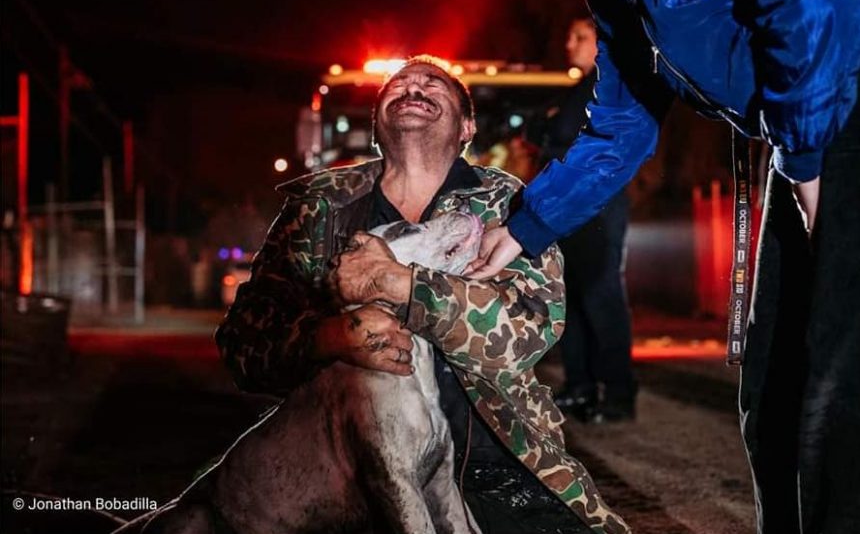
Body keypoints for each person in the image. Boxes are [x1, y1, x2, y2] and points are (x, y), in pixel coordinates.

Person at [467, 0, 860, 533]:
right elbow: (623, 121)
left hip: (837, 106)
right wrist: (527, 224)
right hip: (797, 139)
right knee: (771, 384)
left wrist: (803, 163)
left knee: (836, 381)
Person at [215, 55, 629, 534]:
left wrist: (404, 286)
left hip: (496, 465)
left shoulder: (508, 203)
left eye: (433, 85)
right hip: (344, 473)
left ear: (467, 126)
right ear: (375, 125)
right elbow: (243, 345)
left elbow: (530, 329)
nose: (413, 89)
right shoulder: (319, 209)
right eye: (399, 85)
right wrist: (329, 337)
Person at [543, 16, 636, 423]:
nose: (570, 43)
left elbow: (562, 130)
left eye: (579, 36)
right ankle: (579, 385)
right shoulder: (583, 86)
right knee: (575, 294)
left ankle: (617, 392)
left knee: (600, 294)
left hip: (598, 206)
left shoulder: (605, 84)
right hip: (575, 206)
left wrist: (545, 127)